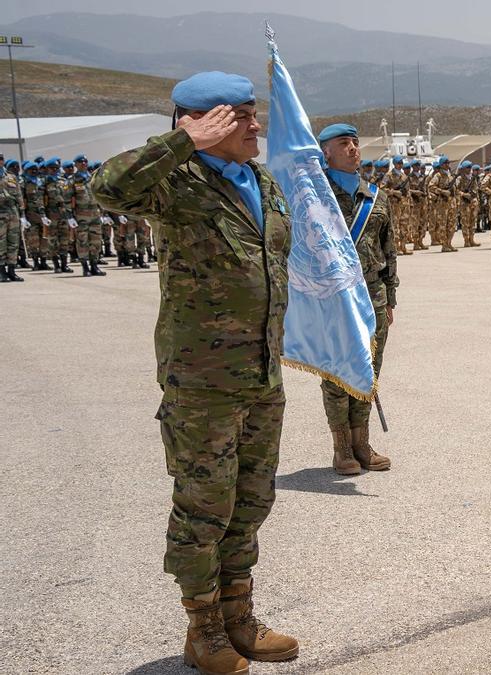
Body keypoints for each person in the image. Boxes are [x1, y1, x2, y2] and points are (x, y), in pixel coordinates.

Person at [92, 71, 300, 673]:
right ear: (204, 121)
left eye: (253, 113)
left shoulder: (260, 180)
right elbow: (106, 188)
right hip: (202, 379)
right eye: (241, 116)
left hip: (262, 374)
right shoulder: (174, 183)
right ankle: (202, 627)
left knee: (251, 500)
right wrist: (183, 142)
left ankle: (239, 615)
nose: (255, 125)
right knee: (203, 505)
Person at [316, 123, 397, 476]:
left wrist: (391, 298)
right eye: (342, 143)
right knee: (337, 373)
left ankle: (363, 443)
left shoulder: (377, 197)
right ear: (326, 152)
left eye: (354, 142)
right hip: (334, 300)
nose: (352, 148)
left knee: (368, 371)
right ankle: (342, 448)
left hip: (373, 297)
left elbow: (388, 251)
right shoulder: (316, 197)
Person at [68, 154, 107, 277]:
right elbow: (67, 199)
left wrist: (103, 213)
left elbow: (100, 196)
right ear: (76, 165)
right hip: (81, 216)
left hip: (95, 214)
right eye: (80, 162)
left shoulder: (94, 178)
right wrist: (69, 216)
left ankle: (94, 265)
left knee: (96, 241)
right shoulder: (72, 180)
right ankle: (85, 267)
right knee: (82, 241)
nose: (83, 163)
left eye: (85, 161)